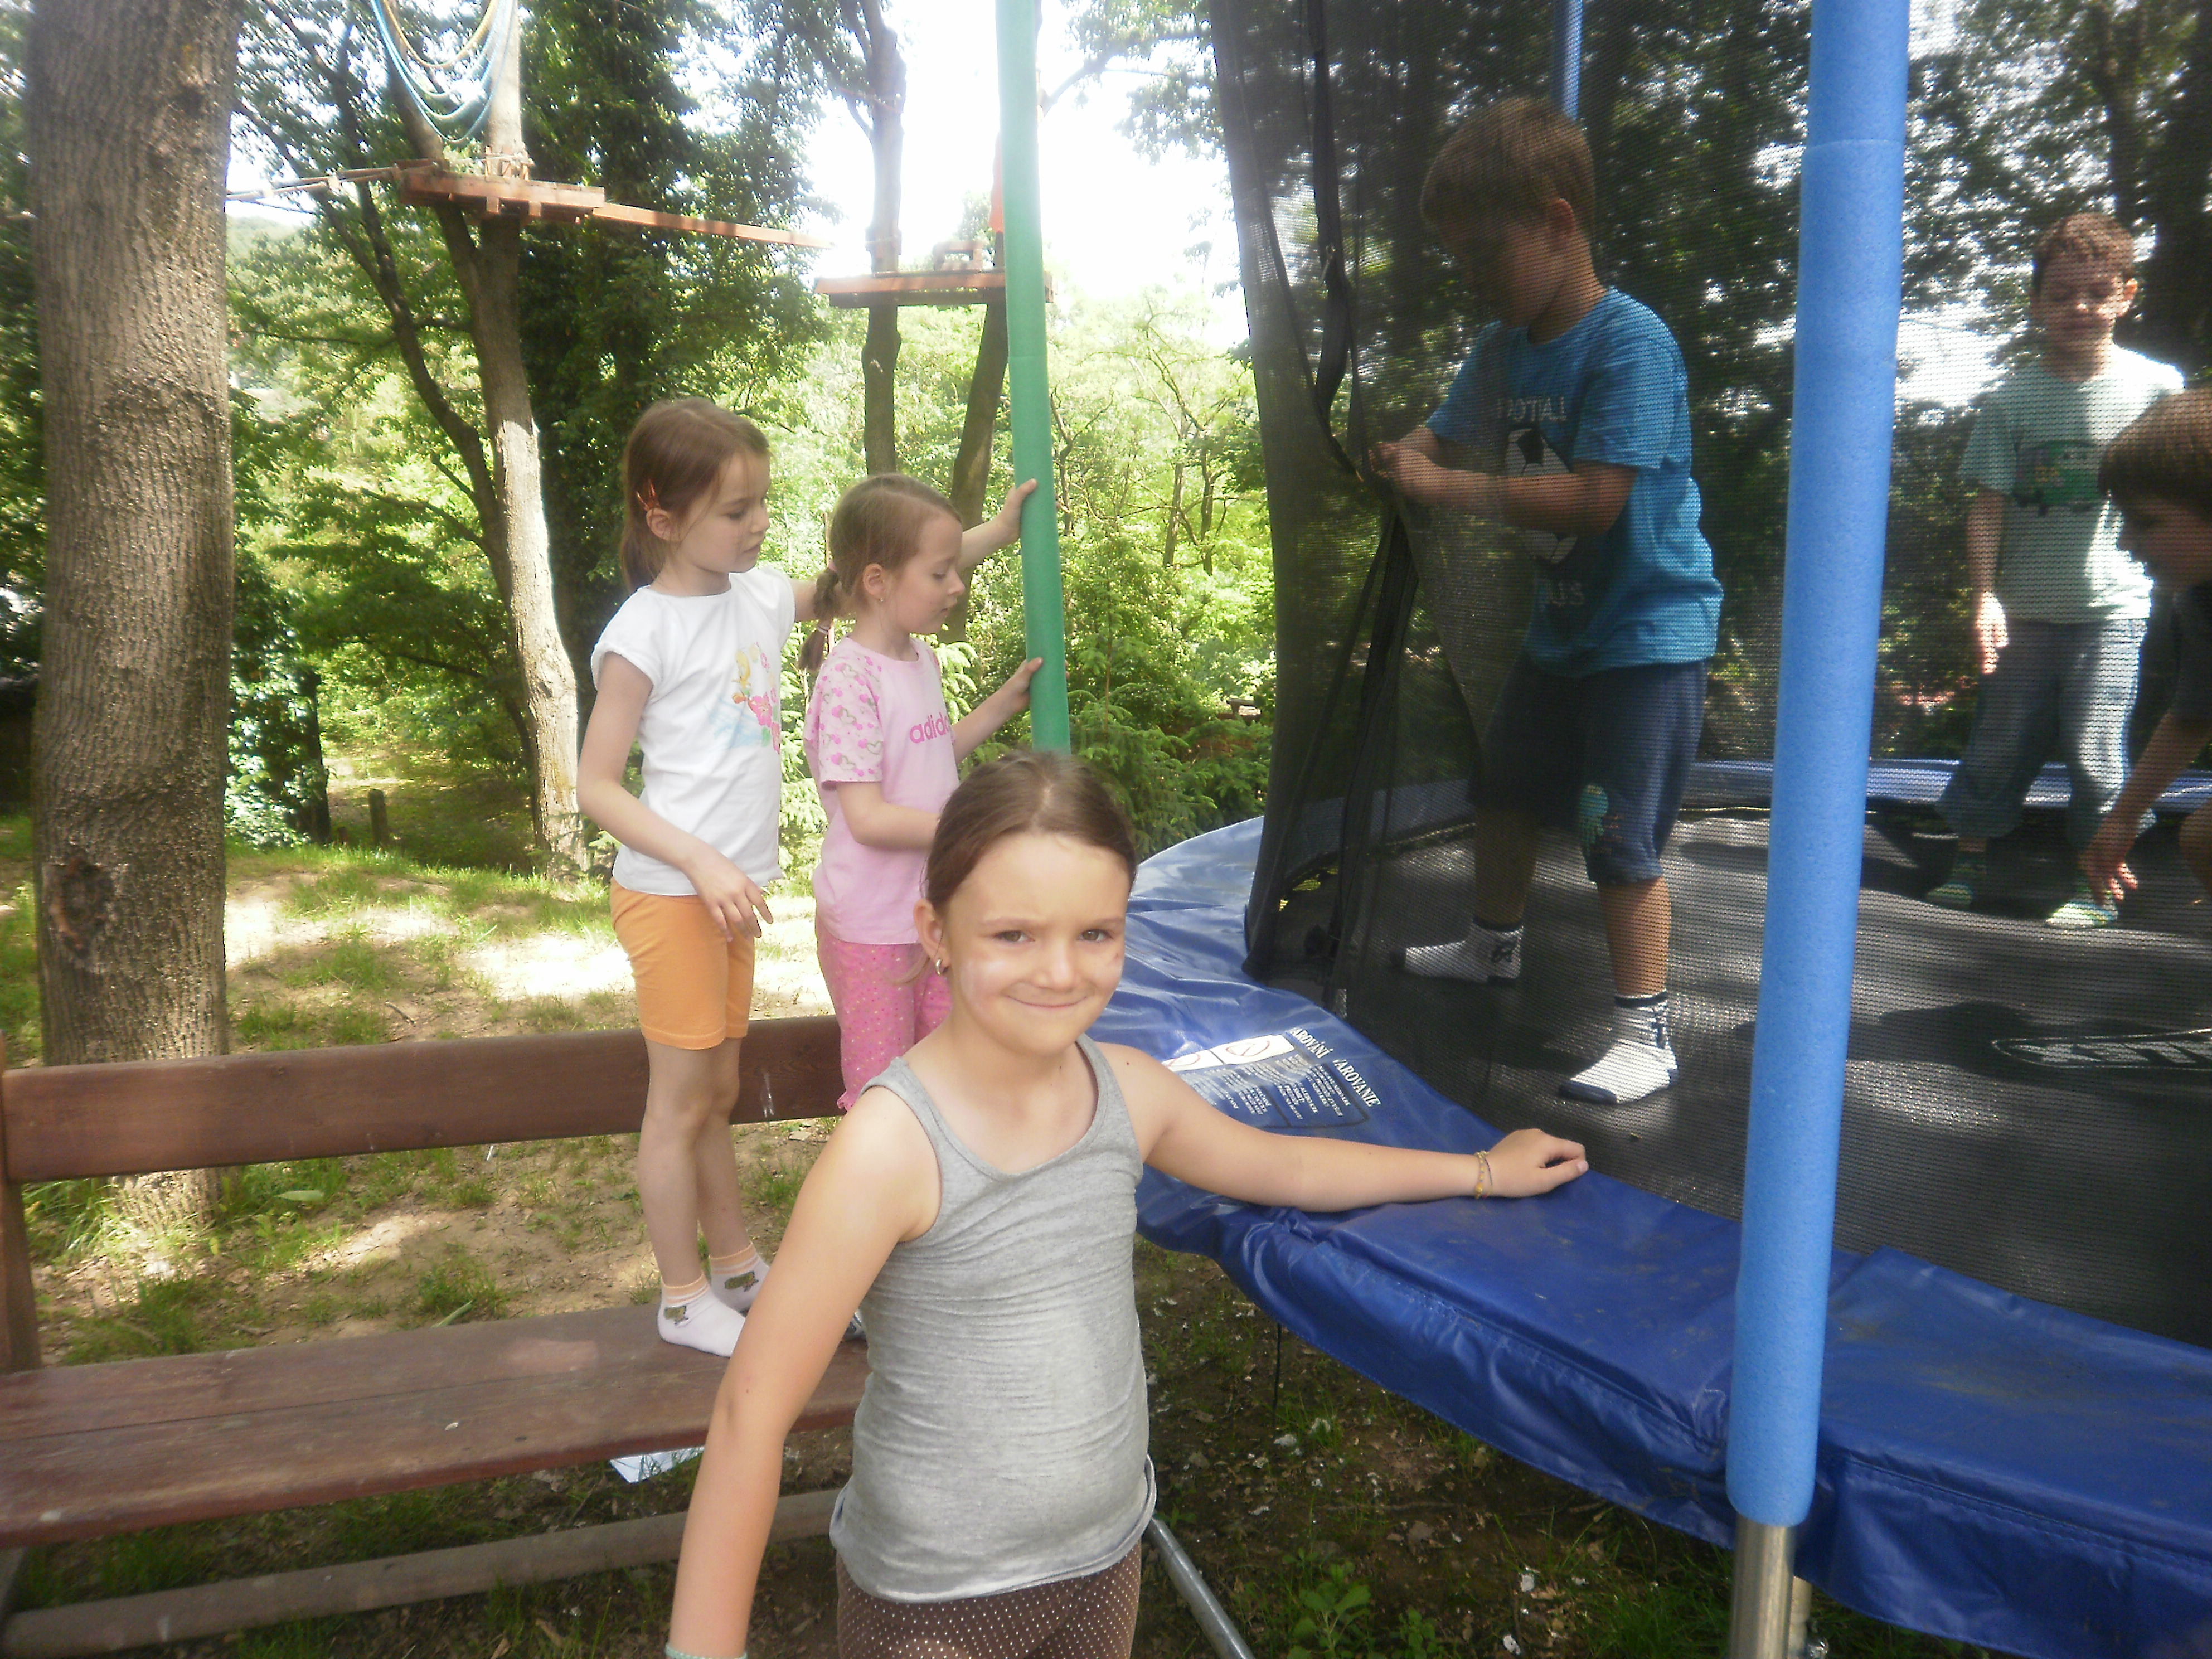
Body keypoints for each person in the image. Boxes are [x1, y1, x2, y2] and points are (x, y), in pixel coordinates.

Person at [663, 751, 1589, 1659]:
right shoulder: (892, 1146)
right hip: (933, 1607)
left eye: (1095, 934)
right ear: (935, 932)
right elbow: (752, 1411)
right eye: (1013, 935)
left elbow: (1287, 1166)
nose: (1060, 971)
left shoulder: (1129, 1093)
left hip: (1105, 1564)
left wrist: (1481, 1169)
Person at [576, 400, 1032, 1356]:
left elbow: (885, 569)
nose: (758, 527)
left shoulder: (757, 598)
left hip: (729, 896)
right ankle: (680, 1296)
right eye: (735, 511)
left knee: (716, 1089)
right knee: (679, 1102)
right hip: (673, 893)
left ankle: (737, 1265)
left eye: (762, 505)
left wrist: (992, 534)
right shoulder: (642, 632)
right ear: (661, 516)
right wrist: (698, 858)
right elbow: (594, 786)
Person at [1370, 97, 1721, 1106]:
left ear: (1558, 224)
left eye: (1485, 254)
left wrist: (1448, 487)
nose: (1472, 278)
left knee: (1616, 834)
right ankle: (1493, 945)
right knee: (1505, 791)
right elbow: (1442, 431)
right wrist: (1406, 454)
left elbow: (1597, 500)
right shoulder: (1503, 348)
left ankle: (1645, 1030)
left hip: (1647, 633)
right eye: (1459, 260)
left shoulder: (1628, 343)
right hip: (1564, 630)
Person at [1928, 211, 2182, 926]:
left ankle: (2094, 880)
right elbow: (1986, 506)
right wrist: (1984, 597)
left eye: (2096, 293)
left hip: (2112, 607)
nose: (2079, 308)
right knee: (1997, 739)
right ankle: (1969, 858)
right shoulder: (2011, 400)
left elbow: (2184, 493)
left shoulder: (2156, 389)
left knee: (2096, 749)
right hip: (2023, 609)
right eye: (2061, 295)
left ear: (2125, 295)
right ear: (2035, 303)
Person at [802, 474, 1044, 1111]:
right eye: (939, 574)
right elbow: (868, 817)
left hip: (934, 914)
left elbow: (930, 756)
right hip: (872, 929)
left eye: (953, 569)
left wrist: (1003, 704)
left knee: (949, 1076)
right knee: (885, 1092)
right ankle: (882, 1179)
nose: (956, 586)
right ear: (877, 581)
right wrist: (970, 835)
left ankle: (943, 1176)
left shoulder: (919, 661)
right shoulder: (850, 679)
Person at [2079, 389, 2212, 912]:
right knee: (2205, 838)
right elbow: (2192, 716)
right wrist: (2124, 816)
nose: (2125, 542)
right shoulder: (2200, 601)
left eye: (2146, 522)